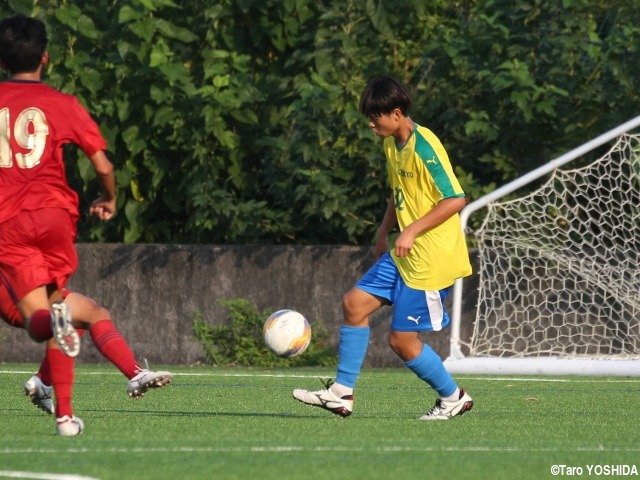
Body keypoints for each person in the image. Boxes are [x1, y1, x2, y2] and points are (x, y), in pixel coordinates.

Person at [0, 14, 172, 435]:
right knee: (60, 308)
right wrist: (110, 197)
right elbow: (102, 163)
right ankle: (63, 415)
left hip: (9, 221)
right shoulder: (64, 103)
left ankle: (63, 411)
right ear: (46, 57)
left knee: (46, 319)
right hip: (56, 216)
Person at [292, 75, 474, 420]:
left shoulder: (425, 146)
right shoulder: (392, 143)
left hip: (431, 260)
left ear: (396, 113)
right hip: (406, 253)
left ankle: (454, 398)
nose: (371, 124)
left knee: (401, 342)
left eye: (375, 117)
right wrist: (383, 232)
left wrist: (412, 231)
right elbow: (398, 194)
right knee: (354, 305)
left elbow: (456, 199)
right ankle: (341, 394)